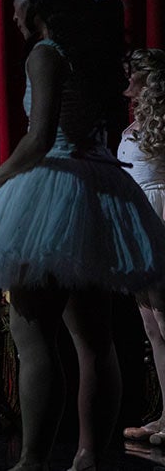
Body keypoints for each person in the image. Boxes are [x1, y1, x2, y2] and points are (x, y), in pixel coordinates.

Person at [0, 0, 165, 470]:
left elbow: (41, 136)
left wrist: (1, 176)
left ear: (38, 1)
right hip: (99, 188)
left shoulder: (45, 53)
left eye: (16, 0)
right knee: (94, 340)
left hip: (55, 185)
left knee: (33, 335)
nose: (12, 12)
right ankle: (89, 456)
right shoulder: (94, 56)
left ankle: (32, 460)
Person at [117, 49, 165, 443]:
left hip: (159, 216)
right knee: (151, 327)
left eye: (131, 72)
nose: (125, 78)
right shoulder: (132, 125)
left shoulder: (162, 122)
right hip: (136, 221)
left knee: (164, 320)